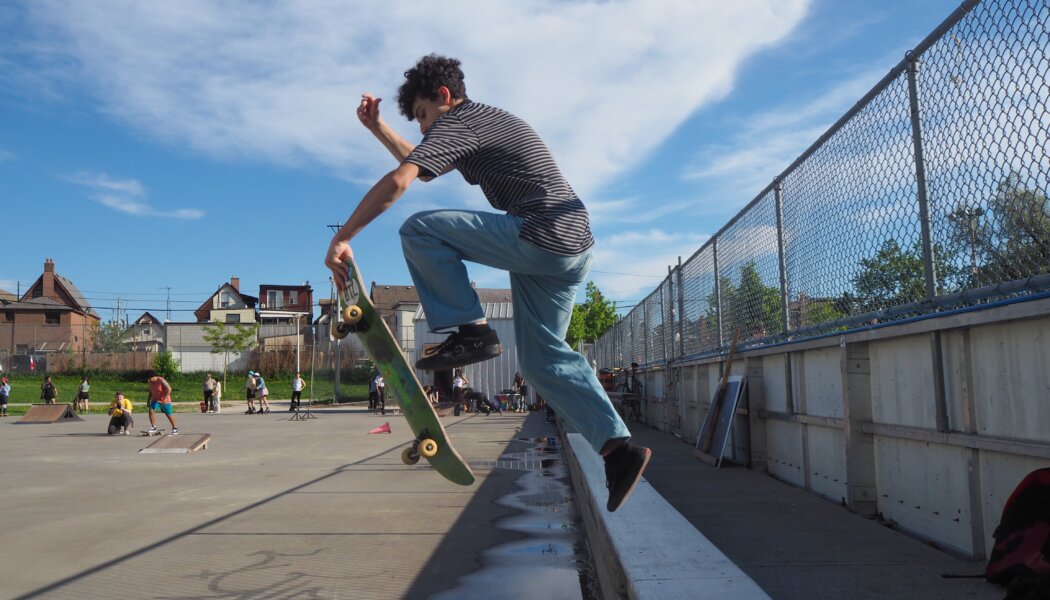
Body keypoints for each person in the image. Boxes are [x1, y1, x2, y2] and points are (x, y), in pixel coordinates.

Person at [324, 54, 649, 511]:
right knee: (540, 362)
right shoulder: (480, 124)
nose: (422, 128)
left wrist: (343, 237)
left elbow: (403, 180)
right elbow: (417, 160)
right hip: (573, 249)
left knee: (419, 229)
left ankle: (471, 329)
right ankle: (618, 449)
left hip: (540, 233)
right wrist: (379, 129)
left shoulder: (462, 120)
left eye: (422, 115)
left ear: (444, 97)